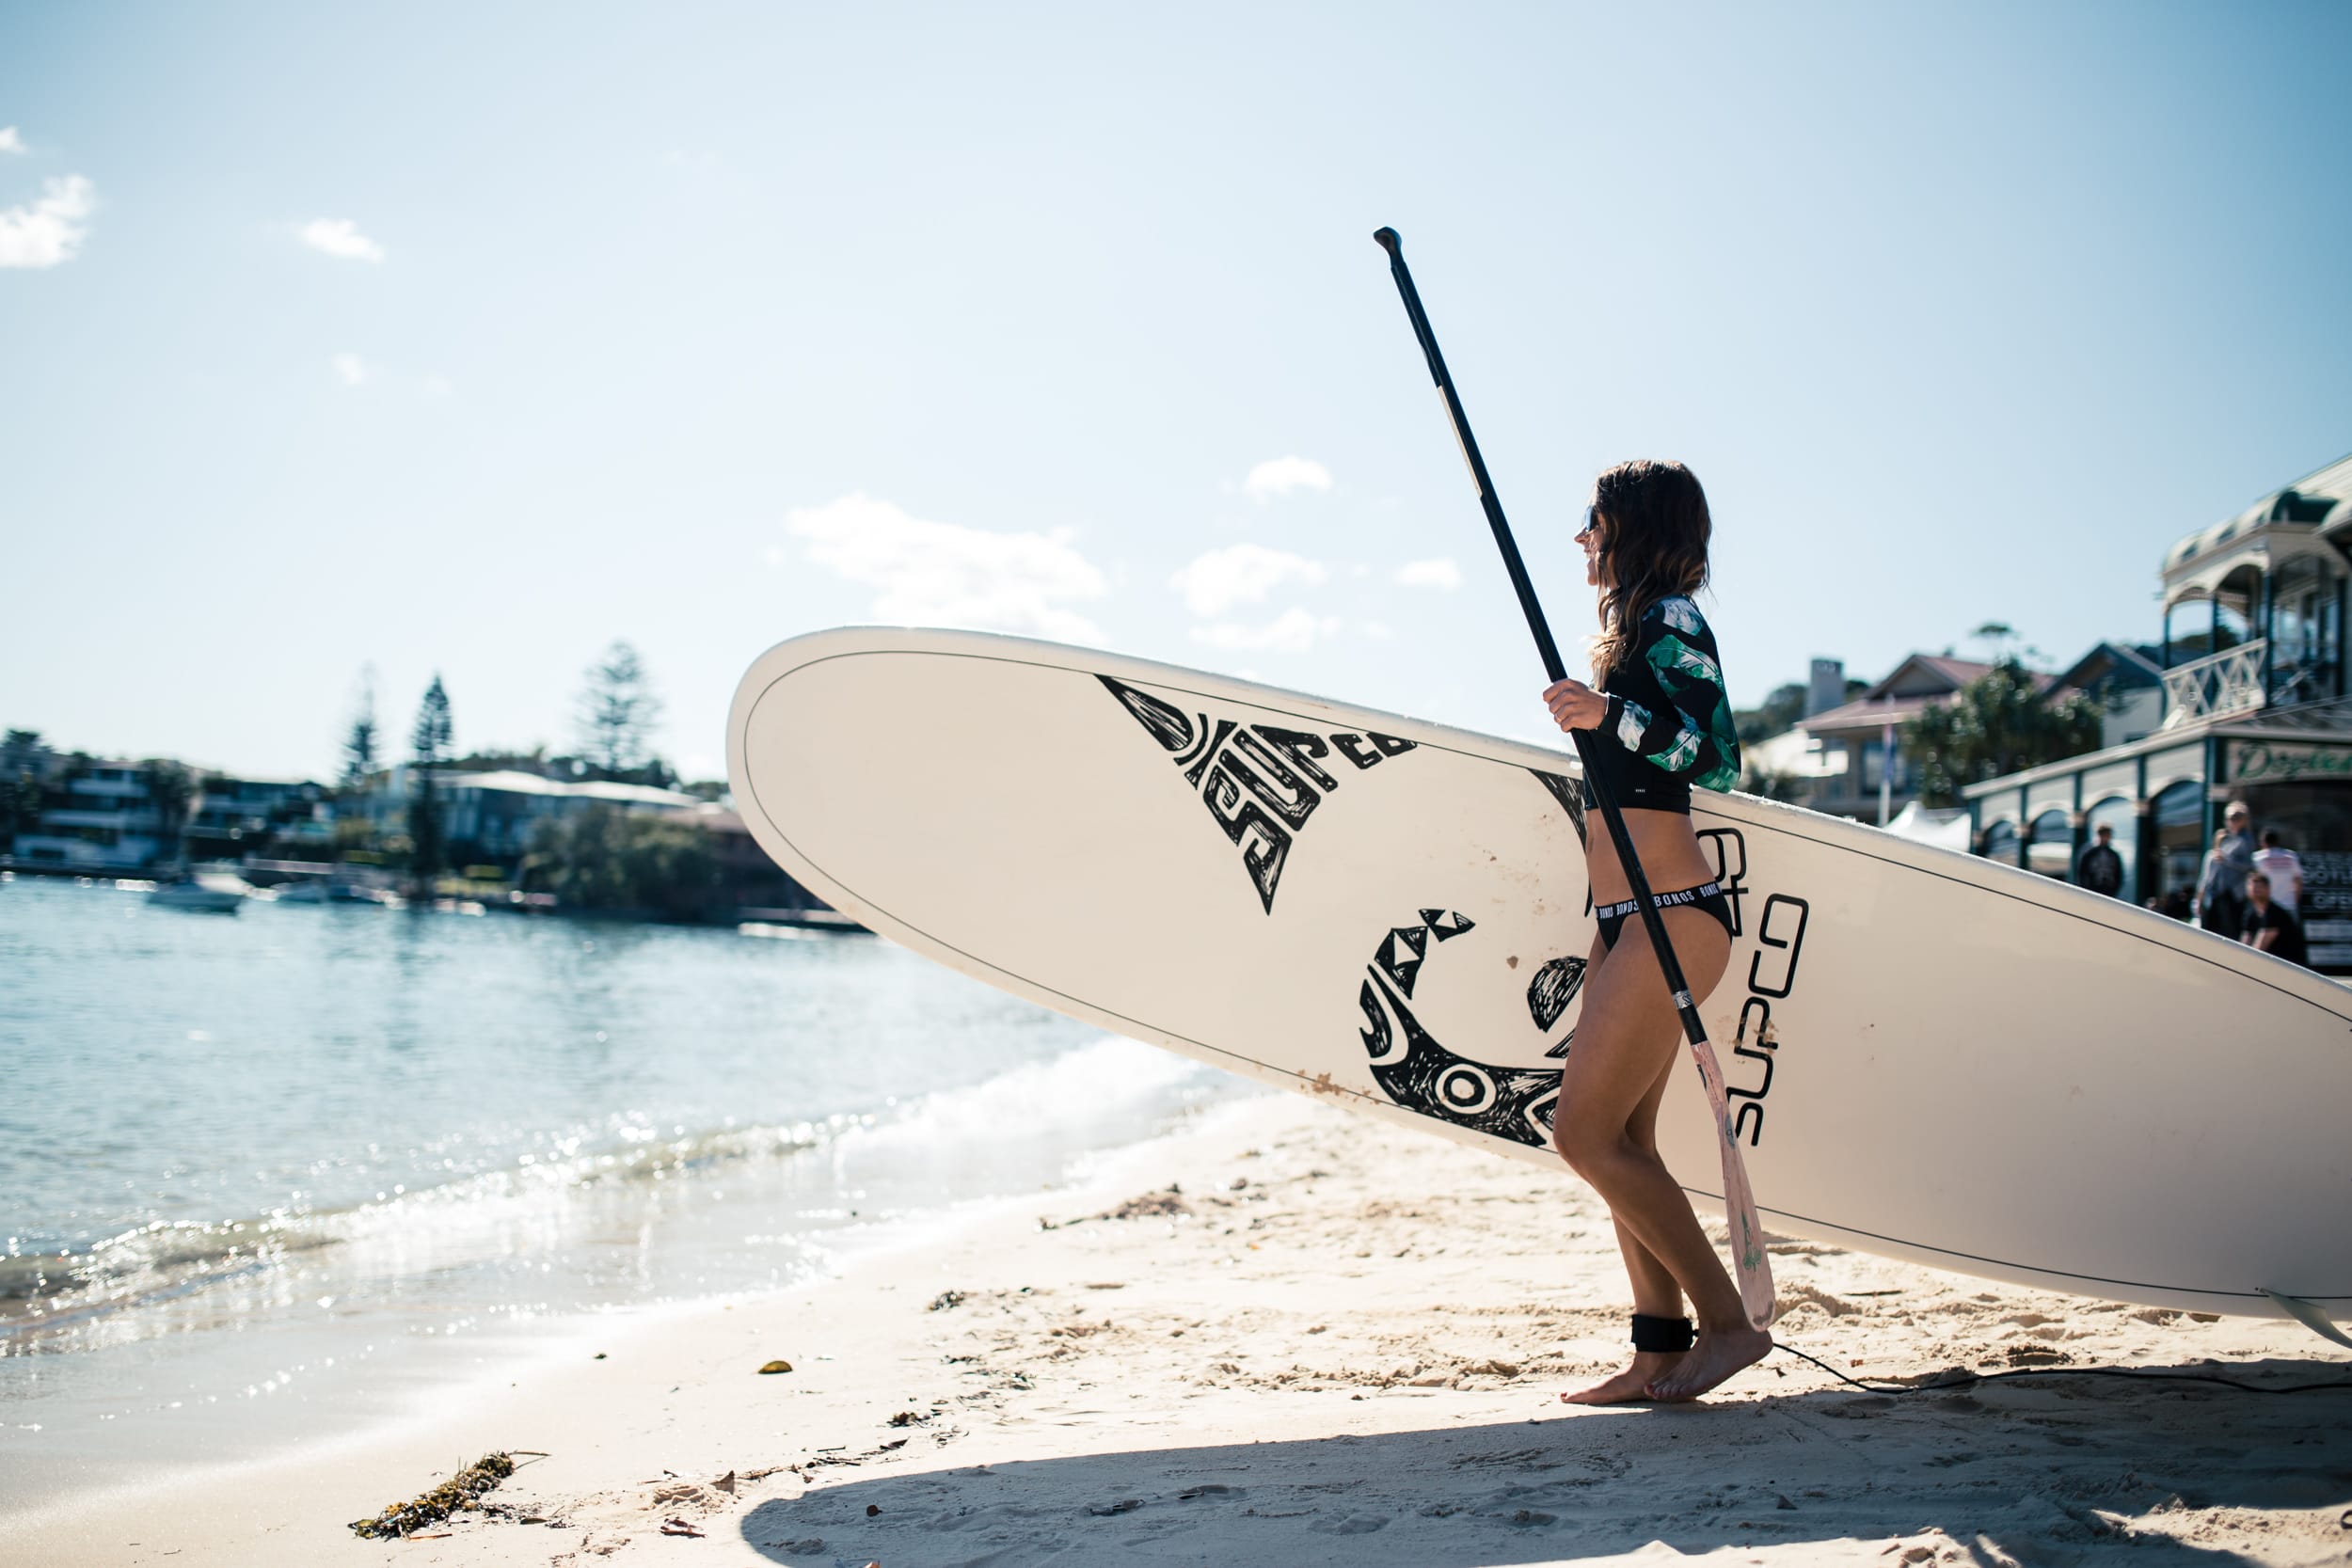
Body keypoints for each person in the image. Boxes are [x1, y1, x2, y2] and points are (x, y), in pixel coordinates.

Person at [1539, 459, 1759, 1405]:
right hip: (1623, 919)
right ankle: (1657, 1348)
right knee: (1625, 1138)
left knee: (1580, 1134)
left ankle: (1729, 1325)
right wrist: (1608, 708)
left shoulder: (1670, 617)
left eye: (1592, 523)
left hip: (1672, 916)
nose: (1581, 539)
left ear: (1633, 528)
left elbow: (1712, 748)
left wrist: (1609, 715)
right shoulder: (1629, 630)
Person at [2241, 871, 2307, 967]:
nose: (2256, 890)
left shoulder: (2274, 913)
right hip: (2269, 964)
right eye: (2253, 887)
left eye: (2260, 887)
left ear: (2268, 889)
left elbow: (2259, 948)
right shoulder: (2250, 913)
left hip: (2289, 966)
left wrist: (2245, 965)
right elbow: (2244, 942)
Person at [2251, 829, 2303, 915]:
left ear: (2263, 842)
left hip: (2267, 905)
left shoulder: (2257, 858)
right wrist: (2295, 900)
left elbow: (2253, 883)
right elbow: (2298, 882)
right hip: (2288, 904)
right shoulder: (2291, 857)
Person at [2075, 823, 2124, 897]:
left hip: (2108, 891)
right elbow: (2082, 873)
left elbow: (2118, 875)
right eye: (2105, 835)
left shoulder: (2113, 855)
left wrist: (2114, 891)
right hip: (2092, 891)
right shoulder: (2089, 853)